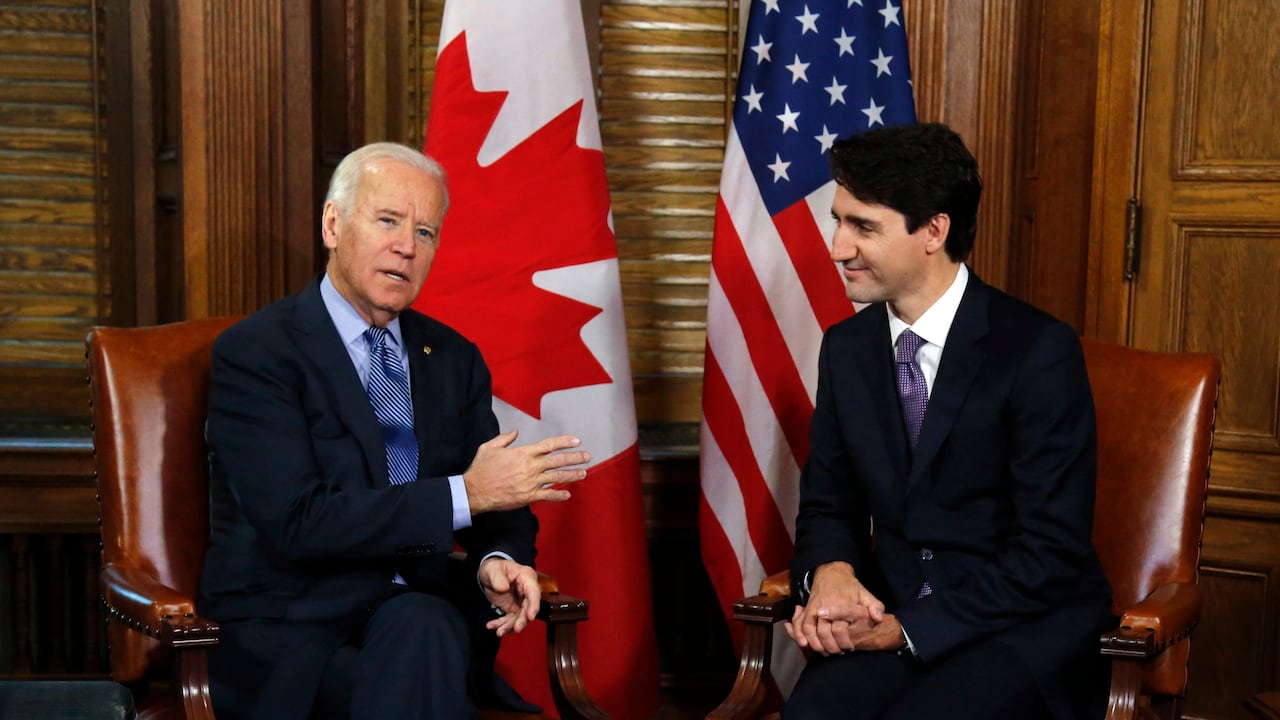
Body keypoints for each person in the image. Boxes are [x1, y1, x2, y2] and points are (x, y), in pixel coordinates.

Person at [197, 142, 591, 720]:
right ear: (334, 224)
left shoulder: (452, 358)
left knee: (423, 627)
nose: (407, 246)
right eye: (388, 221)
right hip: (296, 627)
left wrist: (497, 560)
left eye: (426, 232)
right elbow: (297, 522)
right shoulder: (259, 354)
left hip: (413, 619)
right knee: (425, 645)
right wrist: (466, 494)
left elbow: (496, 499)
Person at [782, 123, 1114, 719]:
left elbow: (1049, 552)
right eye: (839, 220)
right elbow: (829, 504)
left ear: (934, 230)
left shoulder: (1037, 350)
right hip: (891, 612)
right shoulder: (847, 349)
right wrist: (830, 571)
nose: (837, 246)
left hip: (1019, 624)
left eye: (863, 226)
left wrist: (906, 628)